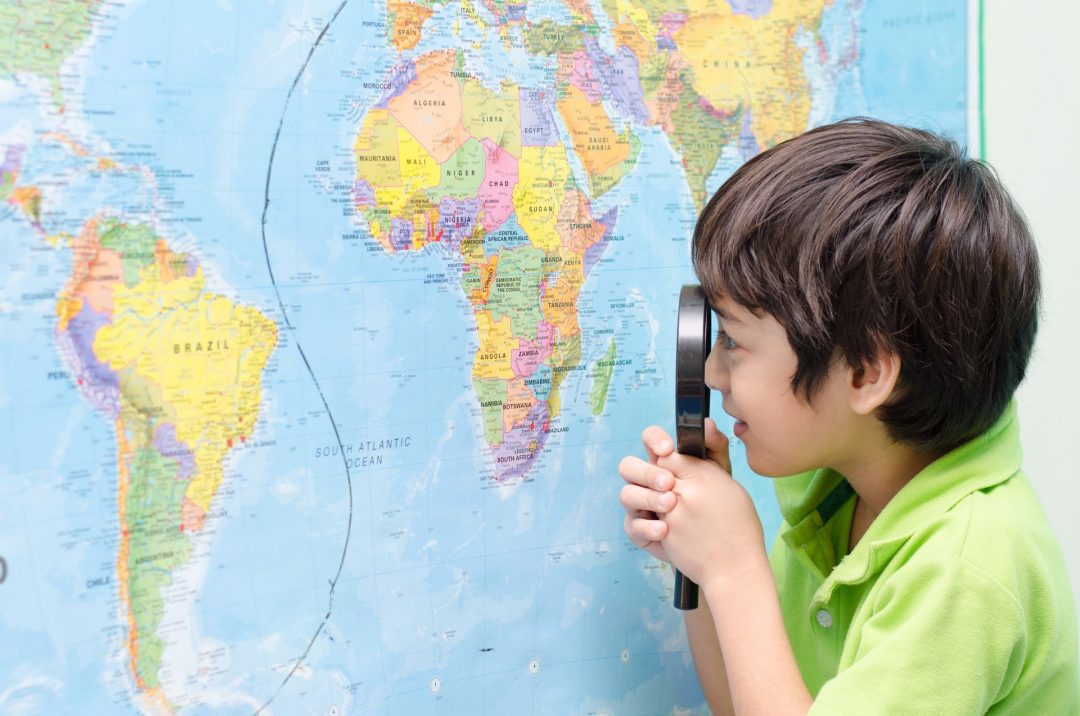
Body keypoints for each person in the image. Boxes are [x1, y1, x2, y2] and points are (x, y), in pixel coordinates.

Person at [618, 118, 1079, 714]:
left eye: (733, 341)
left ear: (865, 373)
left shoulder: (966, 566)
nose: (711, 372)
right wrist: (704, 567)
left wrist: (734, 569)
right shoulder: (837, 498)